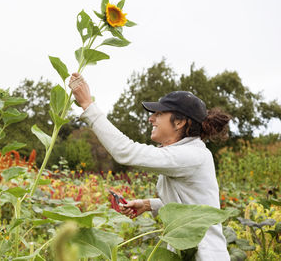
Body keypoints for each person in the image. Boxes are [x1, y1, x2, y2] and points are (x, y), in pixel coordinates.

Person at [69, 73, 232, 261]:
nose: (151, 119)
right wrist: (148, 205)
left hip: (204, 255)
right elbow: (191, 205)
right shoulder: (187, 153)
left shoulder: (191, 155)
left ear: (179, 122)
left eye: (159, 114)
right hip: (189, 252)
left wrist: (88, 106)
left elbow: (126, 151)